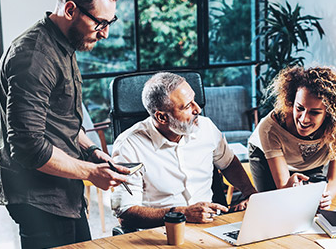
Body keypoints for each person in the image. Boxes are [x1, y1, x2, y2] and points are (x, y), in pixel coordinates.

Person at [0, 0, 130, 248]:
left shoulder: (65, 43)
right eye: (99, 23)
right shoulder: (34, 57)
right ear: (70, 10)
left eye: (109, 23)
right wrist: (90, 172)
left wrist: (91, 151)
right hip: (41, 201)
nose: (104, 33)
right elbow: (28, 146)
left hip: (64, 194)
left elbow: (61, 120)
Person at [110, 72, 257, 230]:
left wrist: (250, 194)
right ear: (162, 117)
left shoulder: (206, 127)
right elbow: (125, 214)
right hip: (161, 233)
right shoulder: (129, 145)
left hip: (211, 226)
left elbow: (229, 163)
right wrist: (181, 214)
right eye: (187, 106)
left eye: (194, 100)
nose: (198, 109)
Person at [248, 66, 336, 210]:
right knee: (275, 206)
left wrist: (327, 196)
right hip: (264, 155)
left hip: (310, 158)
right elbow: (283, 187)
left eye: (314, 112)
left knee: (312, 206)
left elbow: (334, 180)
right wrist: (288, 189)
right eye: (299, 108)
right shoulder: (270, 128)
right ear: (292, 101)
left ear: (329, 113)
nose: (303, 119)